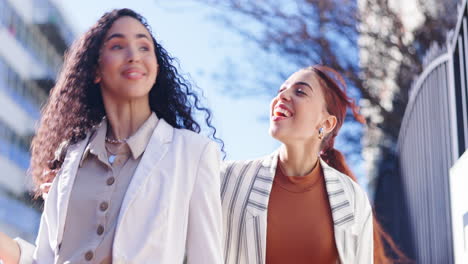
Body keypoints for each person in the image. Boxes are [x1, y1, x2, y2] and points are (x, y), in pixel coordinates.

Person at [0, 8, 223, 264]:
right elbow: (45, 258)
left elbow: (206, 258)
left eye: (144, 47)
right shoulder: (69, 158)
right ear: (95, 70)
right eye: (118, 46)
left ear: (156, 68)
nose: (133, 56)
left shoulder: (192, 153)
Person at [221, 65, 405, 263]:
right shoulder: (228, 179)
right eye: (281, 91)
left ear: (326, 124)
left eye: (300, 91)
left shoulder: (352, 198)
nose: (281, 97)